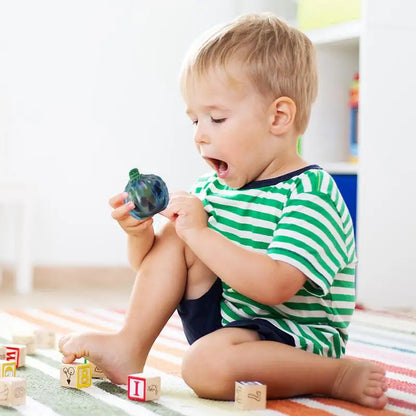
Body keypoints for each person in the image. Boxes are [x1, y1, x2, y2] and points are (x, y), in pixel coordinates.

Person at [59, 13, 388, 409]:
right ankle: (128, 346)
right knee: (177, 232)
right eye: (195, 119)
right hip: (227, 329)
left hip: (293, 340)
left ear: (278, 117)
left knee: (201, 367)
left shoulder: (311, 193)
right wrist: (140, 234)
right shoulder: (211, 188)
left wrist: (199, 232)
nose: (200, 134)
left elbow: (275, 286)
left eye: (216, 118)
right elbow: (152, 269)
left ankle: (335, 374)